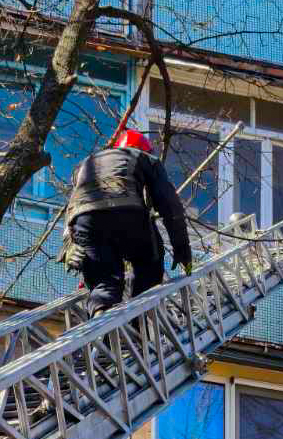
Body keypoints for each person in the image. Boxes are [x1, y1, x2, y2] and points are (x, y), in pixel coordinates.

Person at [61, 128, 193, 318]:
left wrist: (69, 246)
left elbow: (73, 207)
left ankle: (101, 317)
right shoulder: (145, 158)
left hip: (85, 220)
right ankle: (139, 318)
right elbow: (169, 206)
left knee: (104, 281)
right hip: (127, 212)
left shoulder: (85, 164)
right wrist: (182, 249)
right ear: (144, 149)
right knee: (149, 262)